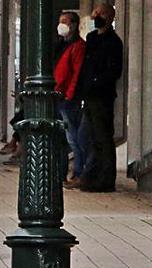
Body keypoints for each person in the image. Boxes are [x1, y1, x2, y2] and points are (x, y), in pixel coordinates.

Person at [69, 3, 123, 192]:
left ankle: (104, 179)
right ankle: (90, 174)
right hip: (89, 95)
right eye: (95, 12)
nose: (95, 16)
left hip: (102, 96)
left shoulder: (113, 42)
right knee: (86, 136)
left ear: (109, 17)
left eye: (100, 13)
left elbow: (114, 70)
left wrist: (96, 82)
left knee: (102, 138)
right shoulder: (92, 38)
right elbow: (86, 65)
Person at [54, 11, 86, 188]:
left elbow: (76, 73)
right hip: (60, 95)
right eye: (60, 21)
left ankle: (78, 172)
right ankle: (63, 173)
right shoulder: (62, 44)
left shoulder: (77, 46)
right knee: (64, 138)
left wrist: (69, 94)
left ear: (74, 24)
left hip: (67, 98)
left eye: (65, 22)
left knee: (73, 137)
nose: (62, 25)